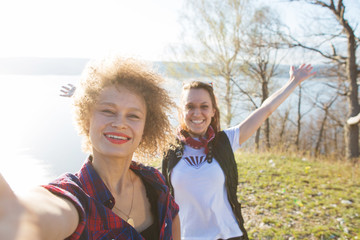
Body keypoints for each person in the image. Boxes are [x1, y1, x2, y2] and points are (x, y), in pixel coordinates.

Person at [0, 57, 181, 240]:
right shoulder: (75, 198)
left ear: (146, 128)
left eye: (133, 116)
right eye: (108, 111)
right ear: (87, 119)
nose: (120, 123)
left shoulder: (154, 182)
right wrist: (17, 215)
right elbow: (32, 217)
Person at [162, 64, 316, 240]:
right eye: (190, 106)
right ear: (182, 112)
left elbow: (266, 110)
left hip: (227, 235)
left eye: (204, 106)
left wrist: (293, 82)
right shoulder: (170, 149)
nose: (197, 113)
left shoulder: (225, 142)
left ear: (213, 111)